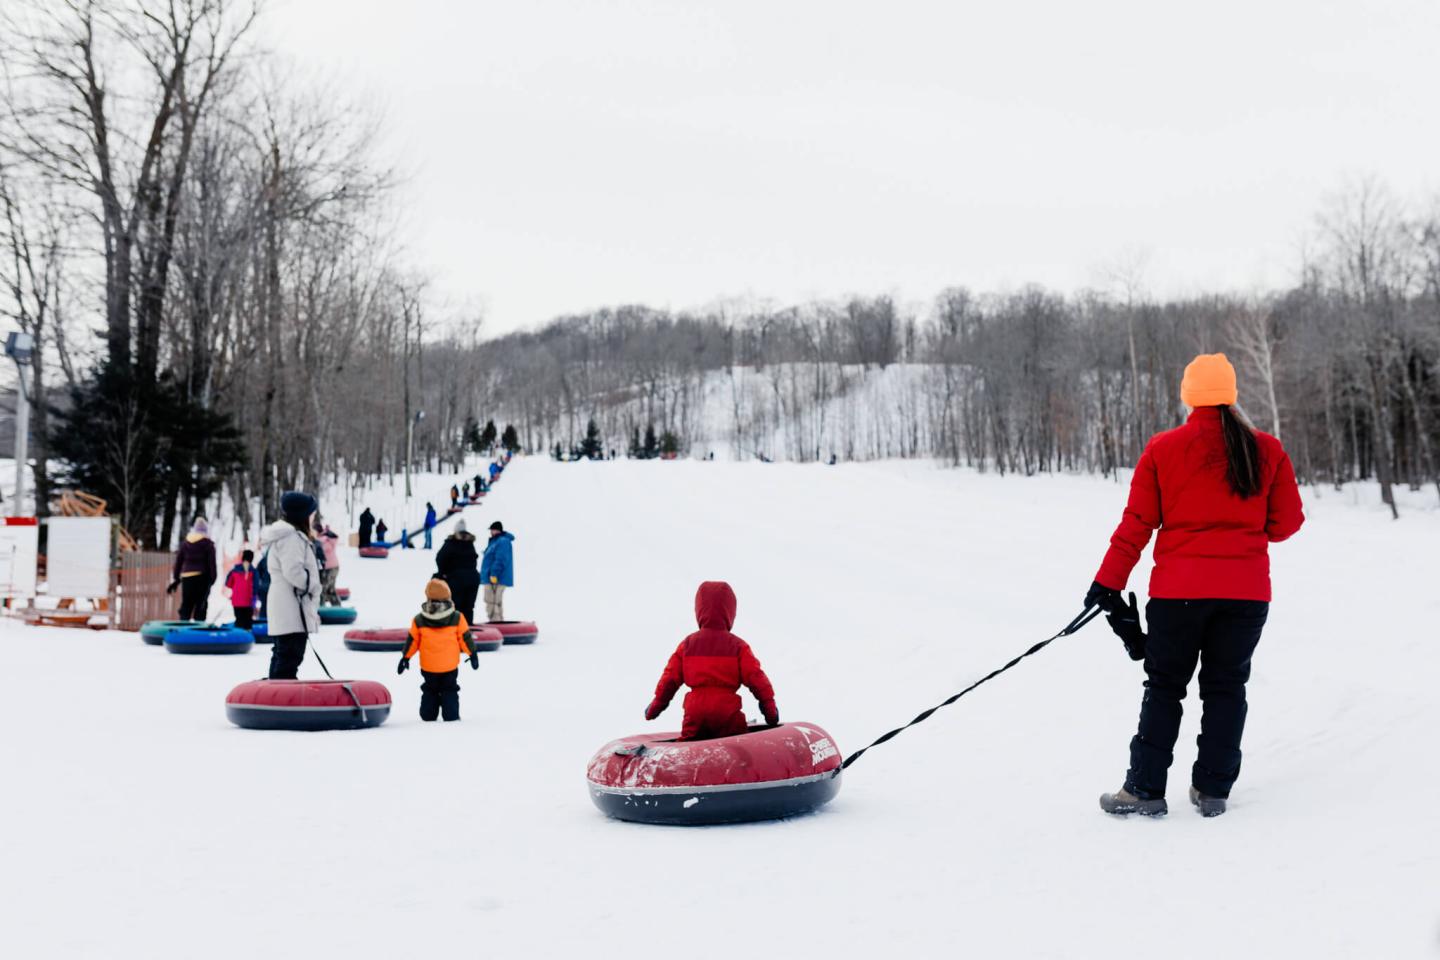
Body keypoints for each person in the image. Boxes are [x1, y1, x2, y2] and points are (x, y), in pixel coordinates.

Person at [1089, 354, 1305, 819]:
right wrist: (1243, 530)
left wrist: (1107, 583)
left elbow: (1136, 525)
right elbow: (1287, 524)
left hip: (1177, 595)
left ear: (1188, 395)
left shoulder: (1163, 449)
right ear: (1231, 394)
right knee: (1227, 687)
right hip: (1246, 595)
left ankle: (1144, 789)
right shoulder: (1266, 449)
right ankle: (1212, 790)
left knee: (1165, 687)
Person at [644, 581, 778, 740]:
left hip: (695, 713)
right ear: (730, 612)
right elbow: (757, 678)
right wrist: (770, 710)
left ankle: (684, 761)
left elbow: (669, 680)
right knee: (736, 746)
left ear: (699, 610)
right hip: (727, 714)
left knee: (690, 744)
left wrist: (655, 706)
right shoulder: (738, 646)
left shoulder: (687, 645)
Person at [397, 579, 478, 721]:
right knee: (449, 689)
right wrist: (473, 654)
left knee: (430, 689)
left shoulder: (419, 619)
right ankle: (451, 715)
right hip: (449, 665)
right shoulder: (457, 617)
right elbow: (465, 638)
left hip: (428, 666)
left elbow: (412, 641)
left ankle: (428, 715)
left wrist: (405, 657)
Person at [261, 492, 322, 680]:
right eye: (311, 513)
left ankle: (276, 694)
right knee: (290, 654)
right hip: (291, 605)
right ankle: (280, 697)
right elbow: (293, 570)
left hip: (287, 603)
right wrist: (311, 585)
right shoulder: (291, 538)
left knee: (284, 653)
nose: (313, 517)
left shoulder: (290, 536)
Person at [169, 518, 217, 621]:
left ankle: (183, 628)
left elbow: (179, 561)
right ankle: (199, 631)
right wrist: (212, 579)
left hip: (187, 578)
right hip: (202, 578)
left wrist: (176, 577)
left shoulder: (185, 543)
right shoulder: (208, 544)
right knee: (201, 605)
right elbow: (211, 563)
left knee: (186, 604)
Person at [435, 519, 481, 625]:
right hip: (473, 578)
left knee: (455, 606)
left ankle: (455, 630)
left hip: (456, 579)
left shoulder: (451, 543)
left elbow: (440, 558)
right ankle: (467, 631)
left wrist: (443, 573)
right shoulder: (470, 544)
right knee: (469, 607)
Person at [479, 521, 514, 622]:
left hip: (496, 577)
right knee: (493, 600)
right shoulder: (495, 541)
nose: (491, 532)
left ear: (497, 530)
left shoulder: (502, 541)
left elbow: (501, 559)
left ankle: (495, 621)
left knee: (492, 600)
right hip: (490, 576)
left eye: (492, 530)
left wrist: (494, 574)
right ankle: (497, 621)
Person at [223, 550, 257, 629]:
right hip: (249, 601)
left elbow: (228, 584)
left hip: (236, 600)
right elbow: (256, 587)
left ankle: (238, 637)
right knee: (248, 622)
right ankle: (248, 638)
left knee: (239, 620)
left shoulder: (234, 570)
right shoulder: (254, 571)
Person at [316, 521, 341, 605]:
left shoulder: (321, 540)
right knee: (330, 590)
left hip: (328, 568)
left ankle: (321, 610)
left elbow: (321, 551)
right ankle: (338, 609)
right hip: (334, 566)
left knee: (322, 590)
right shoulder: (326, 538)